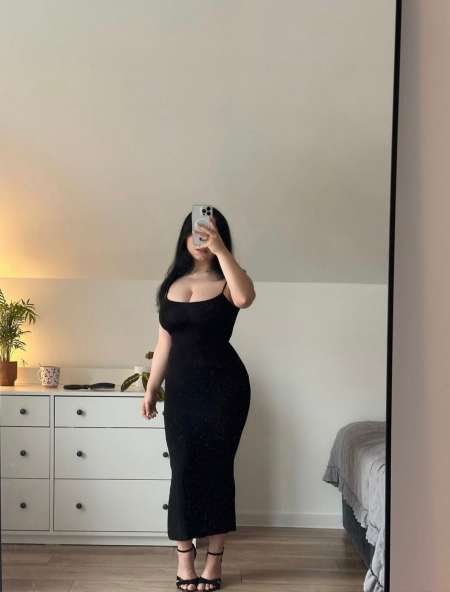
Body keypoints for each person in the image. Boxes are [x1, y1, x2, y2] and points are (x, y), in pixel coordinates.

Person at [141, 208, 255, 591]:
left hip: (225, 390)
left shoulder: (229, 279)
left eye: (211, 232)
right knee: (183, 469)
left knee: (218, 470)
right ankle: (184, 557)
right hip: (183, 393)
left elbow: (245, 298)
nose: (202, 238)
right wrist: (152, 388)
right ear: (184, 237)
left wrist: (222, 251)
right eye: (197, 232)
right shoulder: (171, 285)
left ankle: (214, 560)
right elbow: (163, 344)